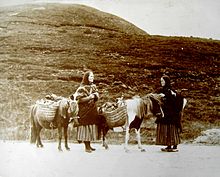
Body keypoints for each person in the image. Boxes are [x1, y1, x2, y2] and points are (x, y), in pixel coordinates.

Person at [73, 70, 100, 153]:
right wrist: (89, 97)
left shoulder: (93, 86)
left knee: (91, 126)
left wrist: (95, 96)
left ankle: (89, 145)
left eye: (93, 76)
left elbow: (97, 96)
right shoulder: (82, 88)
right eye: (91, 76)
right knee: (85, 128)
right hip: (84, 111)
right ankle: (86, 146)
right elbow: (79, 100)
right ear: (87, 77)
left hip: (92, 111)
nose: (93, 78)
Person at [155, 75, 183, 152]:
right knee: (166, 129)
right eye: (161, 81)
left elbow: (175, 100)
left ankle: (174, 145)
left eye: (163, 81)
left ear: (166, 81)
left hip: (171, 114)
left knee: (171, 128)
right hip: (165, 113)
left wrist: (166, 96)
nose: (161, 82)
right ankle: (169, 145)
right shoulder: (161, 90)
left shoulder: (171, 90)